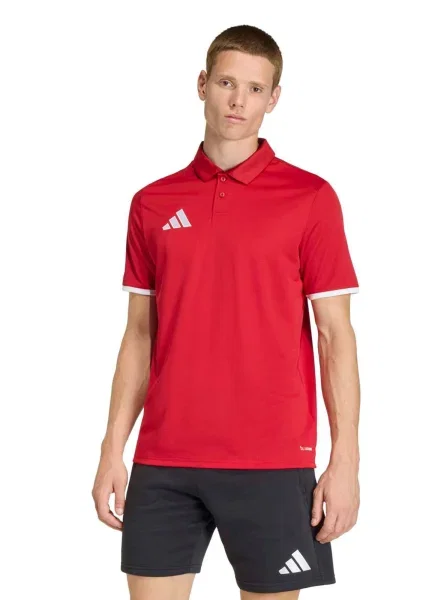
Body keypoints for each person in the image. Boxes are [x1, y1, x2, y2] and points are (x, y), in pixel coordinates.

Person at [92, 23, 361, 600]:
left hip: (273, 459)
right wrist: (113, 448)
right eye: (226, 83)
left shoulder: (310, 198)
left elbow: (335, 336)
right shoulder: (152, 203)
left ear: (273, 98)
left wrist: (346, 461)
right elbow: (139, 335)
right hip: (165, 458)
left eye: (255, 89)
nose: (239, 100)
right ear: (202, 84)